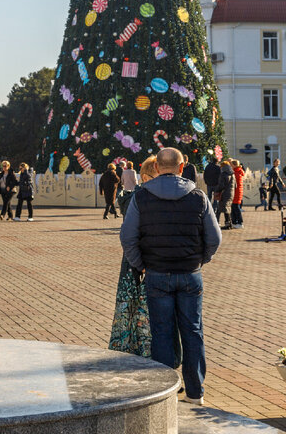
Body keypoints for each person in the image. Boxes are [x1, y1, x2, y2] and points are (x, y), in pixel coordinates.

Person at [120, 147, 221, 406]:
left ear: (156, 168)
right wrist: (201, 259)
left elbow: (128, 237)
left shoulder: (141, 197)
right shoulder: (198, 196)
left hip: (156, 273)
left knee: (162, 332)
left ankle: (165, 394)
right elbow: (215, 238)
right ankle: (195, 392)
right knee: (193, 331)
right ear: (181, 167)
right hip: (190, 274)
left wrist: (141, 264)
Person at [109, 156, 160, 358]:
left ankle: (135, 353)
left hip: (138, 264)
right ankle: (134, 354)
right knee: (136, 312)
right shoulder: (139, 199)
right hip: (138, 266)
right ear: (146, 178)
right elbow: (129, 236)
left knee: (138, 312)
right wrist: (140, 264)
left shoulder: (137, 197)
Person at [214, 159, 235, 230]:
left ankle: (216, 223)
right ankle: (228, 224)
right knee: (227, 208)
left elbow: (221, 185)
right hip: (231, 193)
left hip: (225, 193)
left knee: (220, 209)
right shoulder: (232, 173)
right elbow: (235, 185)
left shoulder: (224, 174)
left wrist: (217, 190)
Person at [230, 161, 246, 229]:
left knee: (236, 208)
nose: (230, 166)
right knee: (234, 208)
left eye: (231, 165)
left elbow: (234, 183)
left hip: (236, 192)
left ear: (234, 165)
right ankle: (235, 222)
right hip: (236, 192)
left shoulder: (236, 173)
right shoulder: (237, 171)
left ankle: (240, 222)